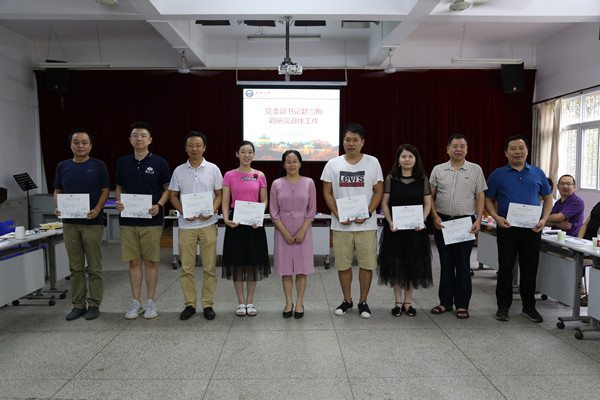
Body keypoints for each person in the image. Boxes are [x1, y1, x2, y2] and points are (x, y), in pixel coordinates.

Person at [485, 135, 552, 323]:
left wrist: (544, 219)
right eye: (513, 148)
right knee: (505, 268)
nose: (517, 152)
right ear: (506, 153)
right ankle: (503, 307)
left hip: (532, 229)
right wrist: (496, 217)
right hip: (507, 227)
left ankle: (529, 307)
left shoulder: (538, 173)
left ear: (527, 151)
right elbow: (488, 199)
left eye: (521, 148)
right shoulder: (497, 174)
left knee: (530, 269)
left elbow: (548, 198)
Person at [321, 123, 384, 319]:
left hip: (366, 225)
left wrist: (369, 212)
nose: (351, 143)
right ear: (343, 141)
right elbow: (327, 192)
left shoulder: (373, 162)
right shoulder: (333, 164)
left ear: (362, 142)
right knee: (343, 265)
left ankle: (363, 301)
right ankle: (347, 300)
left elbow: (379, 190)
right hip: (342, 225)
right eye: (347, 139)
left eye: (355, 140)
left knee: (367, 265)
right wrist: (338, 214)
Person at [115, 122, 171, 320]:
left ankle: (150, 302)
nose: (139, 138)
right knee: (134, 261)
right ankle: (136, 301)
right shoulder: (122, 162)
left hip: (151, 220)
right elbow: (119, 187)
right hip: (128, 220)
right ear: (130, 139)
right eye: (135, 135)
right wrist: (119, 201)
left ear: (150, 140)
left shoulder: (159, 162)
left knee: (150, 261)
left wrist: (159, 205)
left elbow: (167, 189)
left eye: (143, 135)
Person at [53, 129, 109, 321]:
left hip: (92, 222)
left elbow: (105, 190)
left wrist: (98, 209)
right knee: (75, 267)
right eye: (76, 142)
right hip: (70, 224)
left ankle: (94, 304)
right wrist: (59, 206)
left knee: (94, 266)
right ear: (71, 145)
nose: (80, 145)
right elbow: (58, 190)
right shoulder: (63, 166)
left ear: (90, 145)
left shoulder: (98, 165)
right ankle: (78, 305)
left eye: (84, 142)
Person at [429, 134, 487, 319]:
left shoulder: (475, 169)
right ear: (447, 149)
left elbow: (480, 196)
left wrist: (478, 220)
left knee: (462, 265)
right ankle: (445, 302)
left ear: (467, 149)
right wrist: (434, 216)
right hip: (443, 223)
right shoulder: (438, 170)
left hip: (465, 223)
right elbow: (430, 196)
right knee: (446, 264)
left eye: (462, 146)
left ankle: (462, 304)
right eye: (455, 146)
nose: (458, 149)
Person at [169, 131, 223, 321]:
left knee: (209, 267)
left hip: (208, 224)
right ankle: (190, 304)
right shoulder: (179, 171)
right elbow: (172, 195)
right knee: (186, 268)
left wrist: (212, 211)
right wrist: (183, 211)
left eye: (198, 145)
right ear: (185, 148)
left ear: (204, 147)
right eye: (191, 145)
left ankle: (207, 304)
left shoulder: (213, 169)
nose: (194, 149)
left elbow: (219, 194)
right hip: (186, 226)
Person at [378, 144, 432, 317]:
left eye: (410, 156)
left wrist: (422, 220)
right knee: (396, 266)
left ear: (415, 160)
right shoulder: (391, 178)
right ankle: (397, 302)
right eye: (403, 156)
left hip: (415, 230)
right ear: (398, 160)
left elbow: (428, 203)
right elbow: (384, 203)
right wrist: (390, 221)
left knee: (412, 265)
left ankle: (408, 302)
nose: (407, 159)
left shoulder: (422, 179)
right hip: (395, 229)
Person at [222, 140, 270, 317]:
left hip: (254, 224)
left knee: (252, 264)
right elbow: (225, 200)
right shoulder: (229, 175)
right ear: (237, 154)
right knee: (237, 264)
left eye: (250, 152)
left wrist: (259, 216)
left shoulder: (259, 175)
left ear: (253, 155)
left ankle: (250, 301)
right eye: (243, 152)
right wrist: (226, 219)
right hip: (236, 222)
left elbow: (264, 200)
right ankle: (240, 302)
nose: (246, 155)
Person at [269, 150, 317, 319]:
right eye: (288, 161)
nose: (291, 164)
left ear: (300, 163)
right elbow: (273, 212)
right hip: (282, 228)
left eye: (295, 161)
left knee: (302, 269)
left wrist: (303, 230)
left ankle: (299, 303)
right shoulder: (276, 184)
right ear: (283, 165)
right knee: (286, 270)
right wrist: (284, 232)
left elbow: (312, 209)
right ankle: (288, 302)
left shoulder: (309, 182)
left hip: (304, 227)